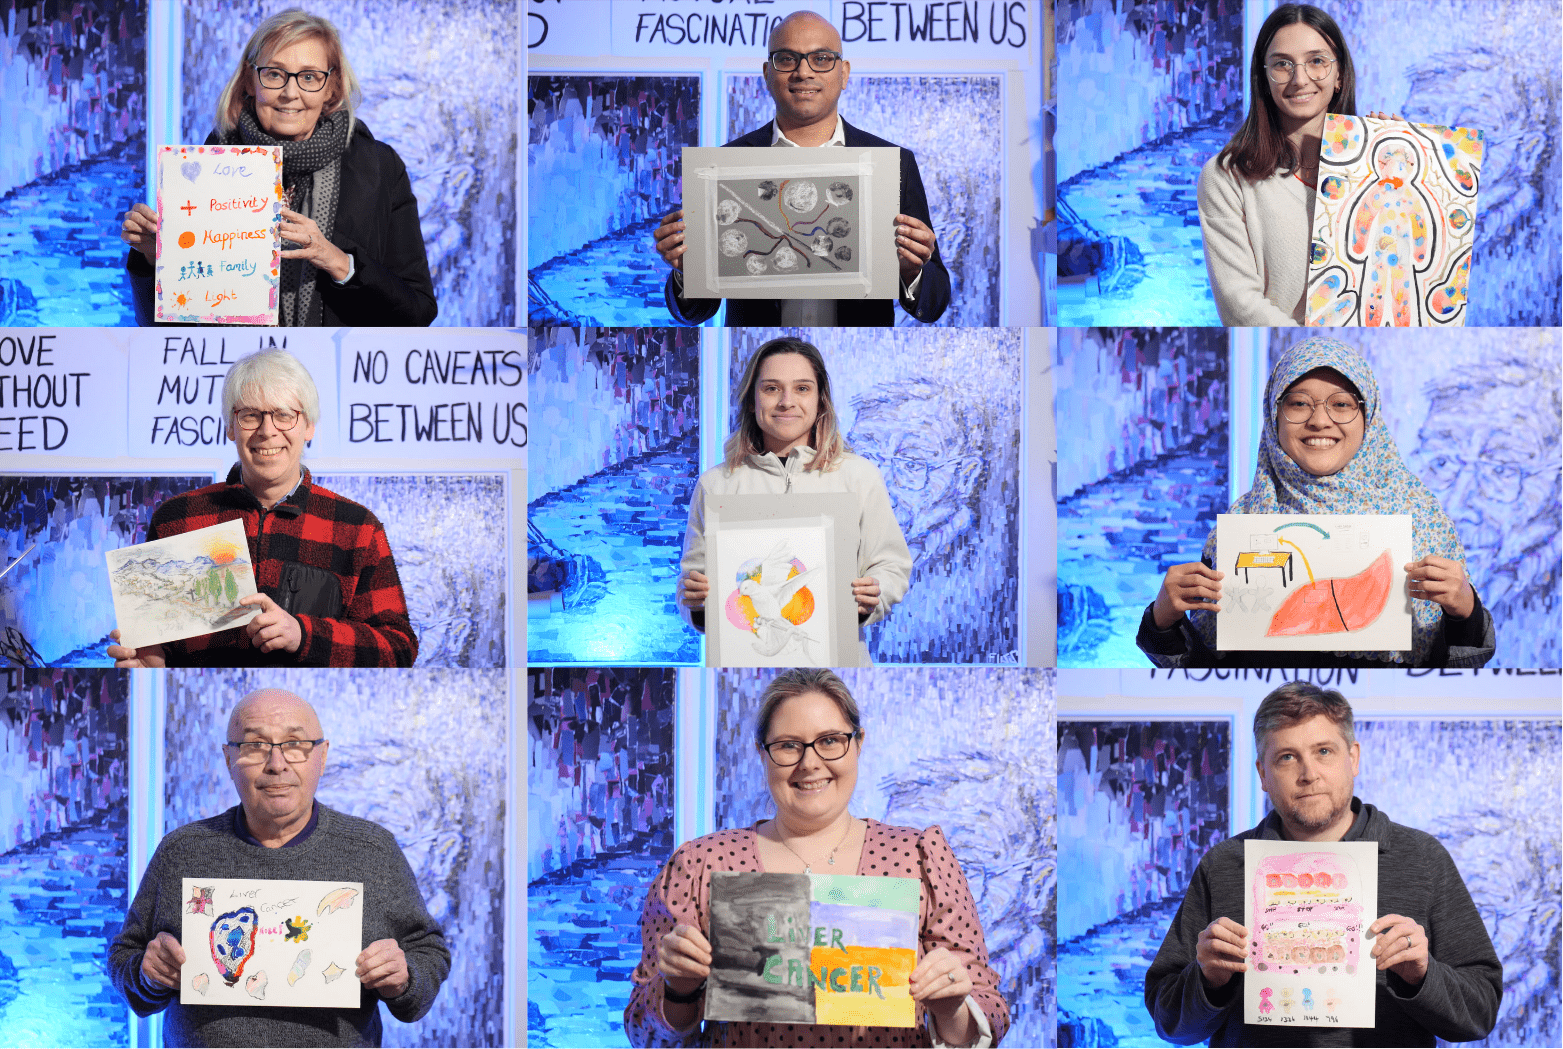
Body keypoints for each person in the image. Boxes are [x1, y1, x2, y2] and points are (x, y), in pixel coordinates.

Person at [625, 668, 1009, 1047]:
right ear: (762, 753)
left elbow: (988, 1016)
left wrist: (951, 1007)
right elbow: (645, 1035)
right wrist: (679, 991)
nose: (810, 763)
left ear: (858, 742)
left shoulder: (920, 857)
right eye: (789, 745)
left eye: (829, 741)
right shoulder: (700, 864)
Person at [1143, 681, 1502, 1046]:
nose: (1308, 774)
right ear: (1262, 774)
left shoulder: (1422, 858)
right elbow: (1170, 1025)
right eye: (1287, 757)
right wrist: (1207, 980)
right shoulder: (1223, 866)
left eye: (1324, 751)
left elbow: (1480, 1015)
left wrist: (1423, 977)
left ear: (1354, 758)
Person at [108, 688, 450, 1046]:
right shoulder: (183, 850)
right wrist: (146, 974)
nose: (277, 763)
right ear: (228, 759)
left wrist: (405, 978)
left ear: (322, 755)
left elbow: (428, 951)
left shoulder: (372, 850)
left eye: (295, 744)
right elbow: (125, 955)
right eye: (255, 746)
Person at [1138, 336, 1494, 668]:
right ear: (1273, 415)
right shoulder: (1240, 525)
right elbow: (1203, 673)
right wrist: (1164, 618)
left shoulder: (1420, 519)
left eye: (1341, 404)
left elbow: (1457, 671)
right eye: (1298, 403)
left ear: (1368, 416)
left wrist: (1464, 610)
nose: (1320, 420)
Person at [118, 9, 437, 326]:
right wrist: (156, 259)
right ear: (249, 79)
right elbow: (167, 337)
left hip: (339, 373)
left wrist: (338, 261)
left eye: (309, 77)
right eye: (274, 74)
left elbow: (417, 311)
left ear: (332, 87)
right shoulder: (208, 167)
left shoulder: (379, 168)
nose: (290, 93)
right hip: (233, 371)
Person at [107, 349, 418, 667]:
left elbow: (400, 648)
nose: (267, 430)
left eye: (284, 415)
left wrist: (302, 635)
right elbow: (154, 643)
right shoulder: (176, 519)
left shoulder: (358, 528)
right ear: (230, 427)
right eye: (250, 415)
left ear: (308, 427)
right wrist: (152, 664)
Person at [652, 11, 950, 327]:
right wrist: (687, 269)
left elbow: (933, 304)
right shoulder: (722, 168)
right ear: (767, 73)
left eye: (821, 59)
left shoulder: (895, 163)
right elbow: (695, 311)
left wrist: (912, 270)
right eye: (787, 59)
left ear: (844, 73)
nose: (803, 72)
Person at [677, 337, 913, 666]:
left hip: (838, 663)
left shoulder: (859, 477)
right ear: (750, 400)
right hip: (748, 663)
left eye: (802, 388)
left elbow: (892, 566)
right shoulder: (716, 484)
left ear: (821, 401)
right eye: (772, 388)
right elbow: (690, 582)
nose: (787, 402)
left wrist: (874, 594)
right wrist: (698, 605)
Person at [1197, 4, 1401, 325]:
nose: (1300, 79)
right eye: (1282, 65)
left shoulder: (1374, 165)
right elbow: (1240, 302)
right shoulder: (1226, 176)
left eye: (1317, 61)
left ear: (1339, 76)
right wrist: (1311, 345)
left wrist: (1404, 176)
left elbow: (1401, 277)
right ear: (1264, 78)